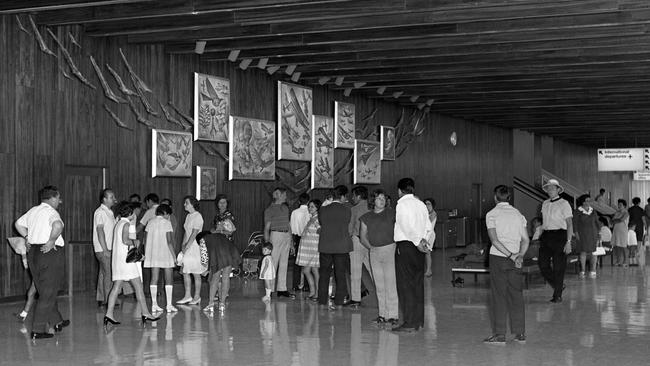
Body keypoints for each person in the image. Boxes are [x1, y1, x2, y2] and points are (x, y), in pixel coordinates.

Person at [15, 186, 69, 339]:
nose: (60, 201)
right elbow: (58, 226)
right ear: (52, 198)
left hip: (33, 252)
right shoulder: (51, 212)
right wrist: (52, 240)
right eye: (58, 198)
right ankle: (38, 330)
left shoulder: (33, 211)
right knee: (48, 292)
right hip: (48, 252)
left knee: (43, 288)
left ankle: (57, 321)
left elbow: (18, 224)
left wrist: (27, 237)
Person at [483, 185, 529, 345]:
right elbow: (526, 240)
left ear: (495, 197)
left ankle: (500, 335)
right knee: (516, 295)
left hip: (499, 258)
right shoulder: (518, 215)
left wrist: (509, 255)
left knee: (499, 296)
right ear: (509, 198)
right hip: (517, 259)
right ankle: (520, 333)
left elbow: (494, 241)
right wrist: (519, 256)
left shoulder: (491, 215)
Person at [103, 202, 160, 326]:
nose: (135, 214)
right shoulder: (126, 224)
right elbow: (125, 240)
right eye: (133, 212)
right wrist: (136, 241)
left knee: (116, 287)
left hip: (118, 261)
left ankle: (109, 314)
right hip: (127, 262)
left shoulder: (118, 223)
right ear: (130, 213)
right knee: (138, 286)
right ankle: (145, 313)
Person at [392, 178, 433, 332]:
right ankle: (418, 321)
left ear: (399, 190)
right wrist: (424, 242)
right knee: (417, 284)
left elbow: (405, 225)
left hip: (407, 245)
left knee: (405, 285)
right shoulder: (421, 204)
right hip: (420, 247)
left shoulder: (401, 204)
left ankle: (409, 322)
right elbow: (428, 227)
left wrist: (416, 241)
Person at [360, 189, 398, 326]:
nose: (381, 200)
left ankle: (393, 315)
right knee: (379, 285)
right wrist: (371, 248)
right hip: (374, 252)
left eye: (383, 198)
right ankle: (383, 314)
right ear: (373, 201)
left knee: (390, 283)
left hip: (389, 249)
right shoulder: (366, 217)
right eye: (378, 198)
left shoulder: (392, 213)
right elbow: (363, 236)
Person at [318, 185, 353, 308]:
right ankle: (339, 300)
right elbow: (347, 222)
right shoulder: (347, 210)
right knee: (340, 274)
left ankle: (322, 300)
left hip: (326, 246)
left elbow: (321, 221)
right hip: (341, 246)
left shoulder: (323, 210)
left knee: (324, 274)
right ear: (342, 196)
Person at [538, 179, 573, 303]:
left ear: (558, 190)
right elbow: (544, 223)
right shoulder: (545, 203)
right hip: (546, 236)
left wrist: (568, 242)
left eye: (553, 188)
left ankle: (557, 295)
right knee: (543, 265)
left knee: (559, 267)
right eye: (548, 188)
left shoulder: (564, 203)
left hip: (560, 235)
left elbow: (569, 224)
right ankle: (559, 285)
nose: (550, 190)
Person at [204, 194, 240, 312]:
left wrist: (219, 230)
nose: (222, 205)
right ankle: (210, 303)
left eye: (224, 202)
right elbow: (212, 230)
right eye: (220, 202)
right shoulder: (217, 216)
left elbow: (230, 231)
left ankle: (222, 302)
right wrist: (217, 230)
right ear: (217, 204)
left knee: (225, 275)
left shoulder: (229, 215)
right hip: (217, 246)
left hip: (227, 246)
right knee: (215, 275)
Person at [143, 203, 177, 313]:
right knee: (169, 279)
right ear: (165, 213)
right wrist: (174, 256)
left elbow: (146, 239)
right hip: (165, 253)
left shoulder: (150, 222)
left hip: (153, 254)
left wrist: (146, 253)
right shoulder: (167, 223)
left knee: (154, 278)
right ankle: (169, 305)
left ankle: (154, 305)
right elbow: (169, 241)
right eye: (168, 215)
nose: (169, 217)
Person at [264, 187, 295, 299]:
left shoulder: (285, 208)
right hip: (275, 235)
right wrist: (267, 243)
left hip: (286, 235)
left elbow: (288, 225)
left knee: (284, 263)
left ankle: (282, 289)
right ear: (278, 195)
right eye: (284, 195)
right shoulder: (269, 209)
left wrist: (291, 242)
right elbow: (266, 227)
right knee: (273, 263)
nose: (286, 197)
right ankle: (270, 290)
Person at [177, 196, 204, 305]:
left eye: (186, 203)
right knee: (185, 271)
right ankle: (187, 295)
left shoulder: (198, 216)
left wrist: (187, 246)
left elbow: (194, 234)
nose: (184, 205)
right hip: (187, 246)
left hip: (195, 247)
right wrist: (182, 246)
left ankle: (197, 296)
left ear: (192, 204)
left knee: (196, 273)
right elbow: (186, 232)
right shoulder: (188, 216)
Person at [93, 188, 117, 307]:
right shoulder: (100, 212)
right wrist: (105, 249)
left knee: (103, 273)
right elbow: (100, 230)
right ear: (104, 199)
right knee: (108, 274)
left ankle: (102, 298)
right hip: (104, 248)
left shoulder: (109, 212)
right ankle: (108, 300)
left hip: (106, 247)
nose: (114, 199)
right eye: (111, 197)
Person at [349, 186, 371, 306]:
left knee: (355, 270)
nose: (352, 198)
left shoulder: (354, 209)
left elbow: (350, 227)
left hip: (357, 240)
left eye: (353, 196)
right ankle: (382, 297)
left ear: (358, 196)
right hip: (370, 242)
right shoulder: (372, 207)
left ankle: (356, 299)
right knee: (373, 270)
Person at [296, 199, 322, 301]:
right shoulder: (312, 218)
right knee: (312, 270)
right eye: (309, 206)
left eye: (312, 207)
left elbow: (320, 231)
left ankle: (316, 293)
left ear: (317, 208)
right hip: (308, 248)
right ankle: (314, 292)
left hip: (313, 248)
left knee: (309, 270)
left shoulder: (317, 219)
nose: (309, 208)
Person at [574, 194, 599, 279]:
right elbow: (575, 224)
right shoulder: (577, 211)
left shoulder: (593, 211)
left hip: (593, 234)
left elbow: (597, 222)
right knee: (583, 252)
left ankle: (593, 270)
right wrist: (576, 233)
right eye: (586, 200)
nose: (588, 202)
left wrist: (599, 233)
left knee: (593, 252)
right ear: (582, 201)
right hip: (582, 234)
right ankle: (583, 270)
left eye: (589, 200)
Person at [290, 193, 311, 292]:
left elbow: (292, 229)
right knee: (308, 262)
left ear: (299, 201)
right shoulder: (311, 212)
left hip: (298, 238)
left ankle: (296, 285)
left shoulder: (294, 212)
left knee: (297, 263)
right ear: (308, 201)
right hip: (309, 239)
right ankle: (307, 285)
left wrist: (292, 242)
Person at [612, 199, 629, 266]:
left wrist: (616, 220)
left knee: (623, 246)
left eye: (620, 205)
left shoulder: (626, 213)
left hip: (623, 231)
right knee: (617, 246)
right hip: (616, 230)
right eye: (618, 205)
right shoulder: (617, 212)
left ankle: (625, 261)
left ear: (624, 206)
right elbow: (613, 220)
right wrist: (616, 220)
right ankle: (619, 261)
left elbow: (621, 220)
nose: (619, 206)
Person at [423, 198, 437, 277]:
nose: (427, 206)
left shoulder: (433, 214)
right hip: (425, 235)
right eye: (426, 204)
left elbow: (428, 225)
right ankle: (428, 269)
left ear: (432, 205)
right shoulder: (425, 213)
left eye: (429, 204)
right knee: (425, 253)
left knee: (427, 253)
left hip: (430, 235)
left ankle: (429, 270)